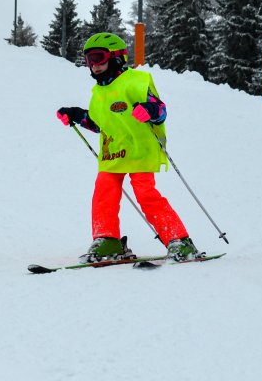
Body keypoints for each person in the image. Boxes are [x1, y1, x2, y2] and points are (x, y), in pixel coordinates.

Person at [56, 32, 202, 264]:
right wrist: (75, 114)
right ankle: (108, 239)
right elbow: (98, 123)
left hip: (140, 151)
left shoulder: (137, 80)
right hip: (113, 154)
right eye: (88, 60)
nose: (93, 65)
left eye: (98, 57)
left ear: (116, 57)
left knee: (146, 195)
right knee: (103, 194)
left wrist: (150, 111)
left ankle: (179, 240)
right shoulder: (98, 93)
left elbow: (160, 110)